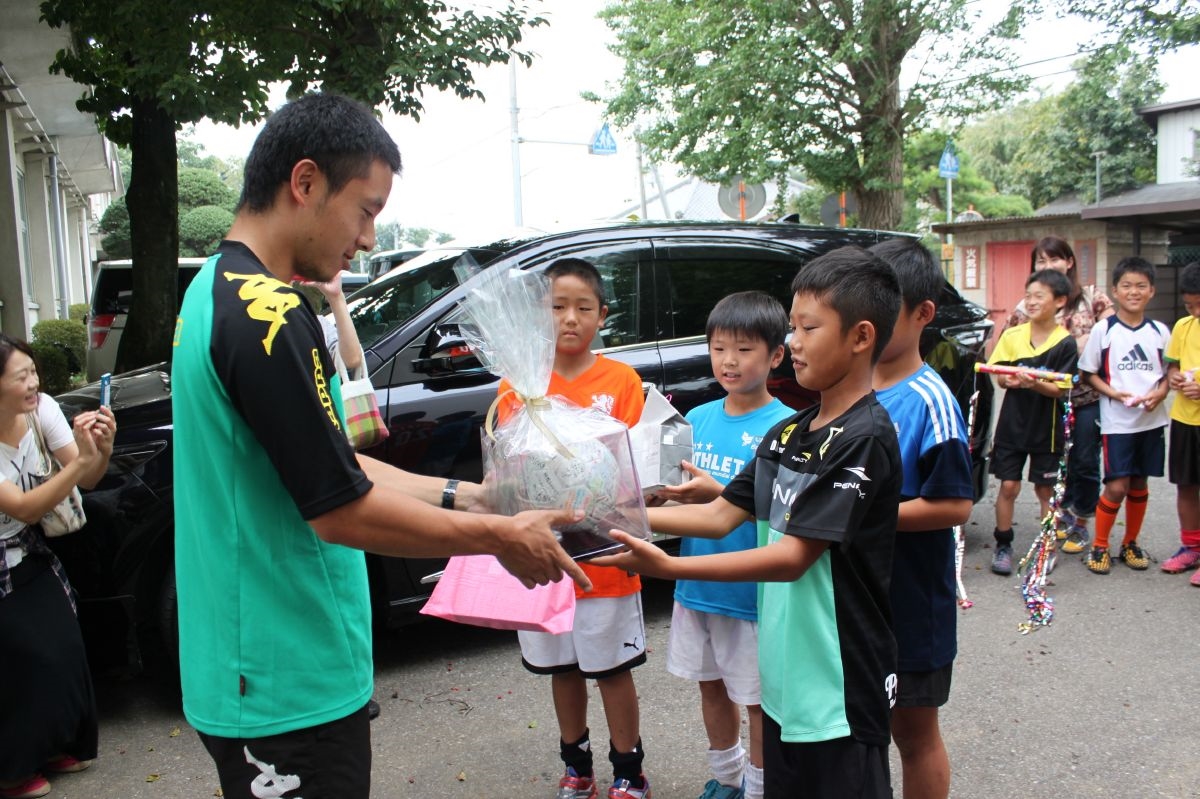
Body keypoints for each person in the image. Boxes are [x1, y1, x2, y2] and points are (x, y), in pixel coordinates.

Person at [171, 92, 589, 799]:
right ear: (306, 183)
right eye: (365, 210)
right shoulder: (270, 316)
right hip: (281, 677)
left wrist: (470, 495)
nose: (367, 239)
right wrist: (497, 536)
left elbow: (329, 461)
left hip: (260, 664)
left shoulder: (215, 289)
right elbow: (339, 508)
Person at [594, 246, 903, 799]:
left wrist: (666, 565)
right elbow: (718, 514)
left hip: (839, 681)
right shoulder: (790, 433)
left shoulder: (865, 438)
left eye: (808, 328)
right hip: (785, 674)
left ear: (860, 337)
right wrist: (605, 517)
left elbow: (792, 558)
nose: (796, 342)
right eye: (794, 327)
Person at [494, 258, 650, 799]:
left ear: (603, 315)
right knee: (561, 668)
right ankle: (576, 764)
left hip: (606, 554)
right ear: (540, 314)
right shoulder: (519, 384)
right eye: (557, 306)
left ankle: (629, 769)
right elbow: (508, 469)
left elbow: (637, 468)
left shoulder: (621, 381)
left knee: (612, 669)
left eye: (584, 307)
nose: (570, 318)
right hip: (544, 557)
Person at [650, 291, 793, 799]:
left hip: (751, 596)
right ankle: (726, 777)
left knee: (756, 701)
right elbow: (669, 495)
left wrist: (720, 494)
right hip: (696, 587)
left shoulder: (787, 428)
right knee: (710, 687)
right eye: (718, 349)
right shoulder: (695, 419)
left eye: (745, 349)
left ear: (776, 355)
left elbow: (788, 517)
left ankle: (759, 786)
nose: (729, 361)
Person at [867, 239, 973, 799]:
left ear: (923, 314)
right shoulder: (851, 387)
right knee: (865, 728)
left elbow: (955, 504)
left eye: (886, 311)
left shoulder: (931, 399)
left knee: (913, 733)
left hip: (912, 603)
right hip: (860, 598)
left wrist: (866, 513)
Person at [0, 335, 116, 799]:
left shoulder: (41, 408)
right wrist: (81, 463)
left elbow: (90, 477)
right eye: (21, 376)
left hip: (27, 550)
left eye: (33, 371)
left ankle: (55, 745)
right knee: (26, 655)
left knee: (65, 646)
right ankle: (11, 771)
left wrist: (101, 447)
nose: (34, 383)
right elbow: (25, 506)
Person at [1002, 237, 1113, 555]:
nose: (1048, 266)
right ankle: (1058, 517)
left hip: (1084, 397)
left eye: (1054, 259)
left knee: (1085, 461)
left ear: (1069, 262)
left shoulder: (1092, 297)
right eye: (1041, 261)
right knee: (1054, 466)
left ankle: (1081, 521)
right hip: (1044, 403)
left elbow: (1113, 334)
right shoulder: (1026, 306)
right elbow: (1007, 346)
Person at [1077, 257, 1171, 575]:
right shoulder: (1104, 330)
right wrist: (1115, 394)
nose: (1134, 292)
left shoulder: (1160, 332)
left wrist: (1160, 394)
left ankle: (1130, 543)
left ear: (1152, 291)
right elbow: (1088, 373)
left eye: (1141, 286)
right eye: (1127, 286)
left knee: (1140, 482)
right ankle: (1099, 545)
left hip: (1151, 421)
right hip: (1117, 423)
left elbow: (1169, 373)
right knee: (1117, 486)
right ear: (1115, 291)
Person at [986, 269, 1078, 575]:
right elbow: (999, 376)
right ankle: (1003, 544)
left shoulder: (1065, 343)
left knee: (1045, 490)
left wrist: (1034, 383)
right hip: (1012, 425)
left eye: (1039, 296)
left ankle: (1047, 547)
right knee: (1008, 485)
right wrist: (1011, 380)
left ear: (1060, 301)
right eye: (1028, 296)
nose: (1031, 301)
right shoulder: (1013, 335)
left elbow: (1061, 389)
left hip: (1047, 430)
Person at [1160, 262, 1200, 585]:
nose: (1195, 312)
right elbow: (1172, 365)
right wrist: (1173, 377)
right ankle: (1191, 546)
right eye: (1189, 306)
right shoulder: (1183, 327)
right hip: (1185, 419)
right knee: (1186, 485)